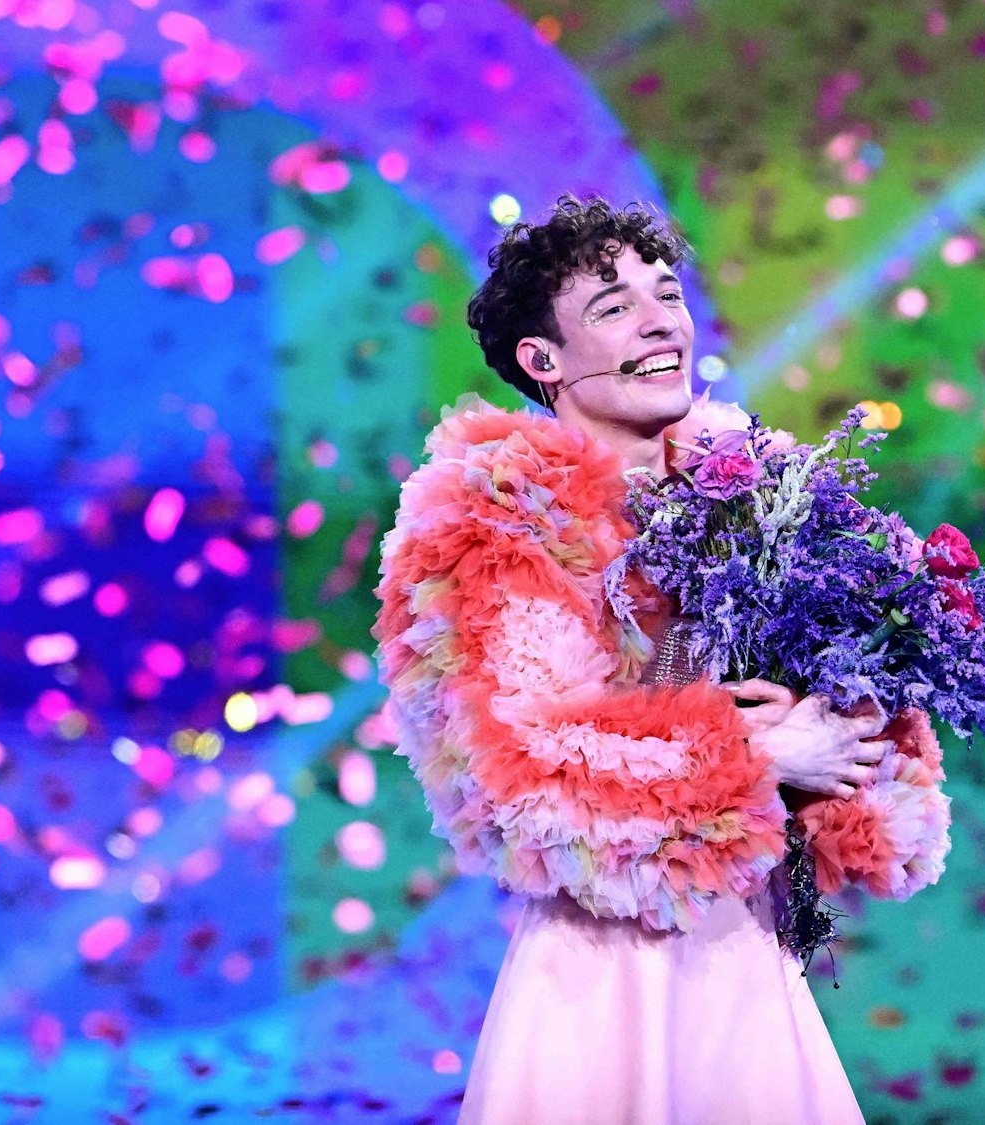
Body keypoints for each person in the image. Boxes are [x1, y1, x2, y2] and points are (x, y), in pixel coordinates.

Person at [372, 196, 911, 1124]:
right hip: (601, 982)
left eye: (667, 294)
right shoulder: (493, 524)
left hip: (745, 963)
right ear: (544, 361)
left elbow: (864, 742)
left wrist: (846, 726)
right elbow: (520, 782)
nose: (662, 321)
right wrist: (756, 758)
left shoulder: (756, 505)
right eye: (614, 306)